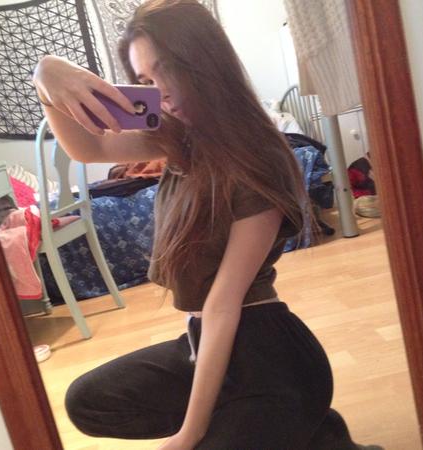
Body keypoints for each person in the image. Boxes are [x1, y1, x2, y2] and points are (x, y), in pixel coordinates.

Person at [33, 1, 381, 448]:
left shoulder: (259, 157)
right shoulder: (180, 141)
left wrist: (190, 433)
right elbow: (89, 149)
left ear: (203, 59)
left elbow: (222, 305)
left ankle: (302, 423)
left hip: (273, 360)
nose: (161, 92)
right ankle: (309, 435)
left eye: (166, 69)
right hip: (203, 343)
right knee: (89, 401)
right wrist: (47, 76)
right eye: (145, 81)